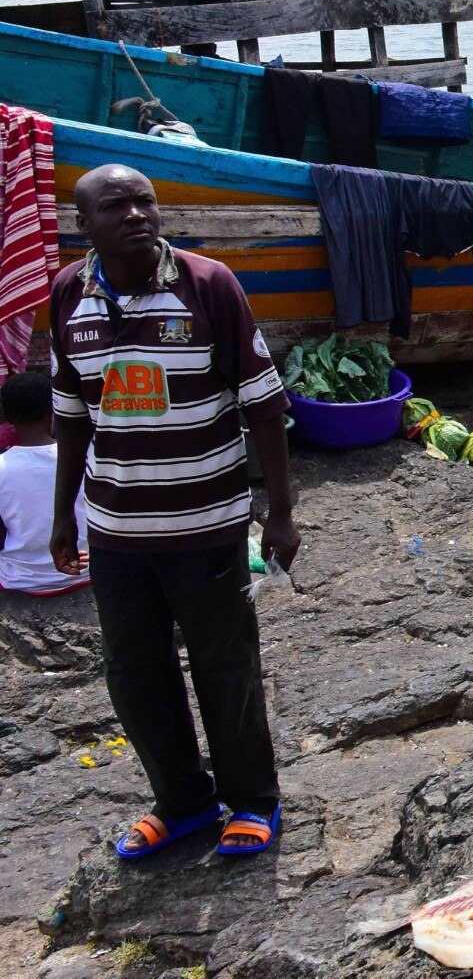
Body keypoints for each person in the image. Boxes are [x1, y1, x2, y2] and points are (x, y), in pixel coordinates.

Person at [49, 165, 297, 861]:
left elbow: (265, 405)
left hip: (208, 524)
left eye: (144, 201)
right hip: (118, 530)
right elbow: (71, 417)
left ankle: (251, 799)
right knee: (133, 671)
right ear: (84, 225)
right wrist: (63, 514)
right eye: (115, 206)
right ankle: (183, 802)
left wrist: (279, 513)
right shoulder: (68, 293)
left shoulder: (209, 284)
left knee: (225, 664)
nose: (135, 214)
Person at [0, 370, 89, 596]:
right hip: (85, 571)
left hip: (21, 580)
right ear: (52, 410)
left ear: (8, 418)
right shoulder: (83, 456)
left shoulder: (2, 466)